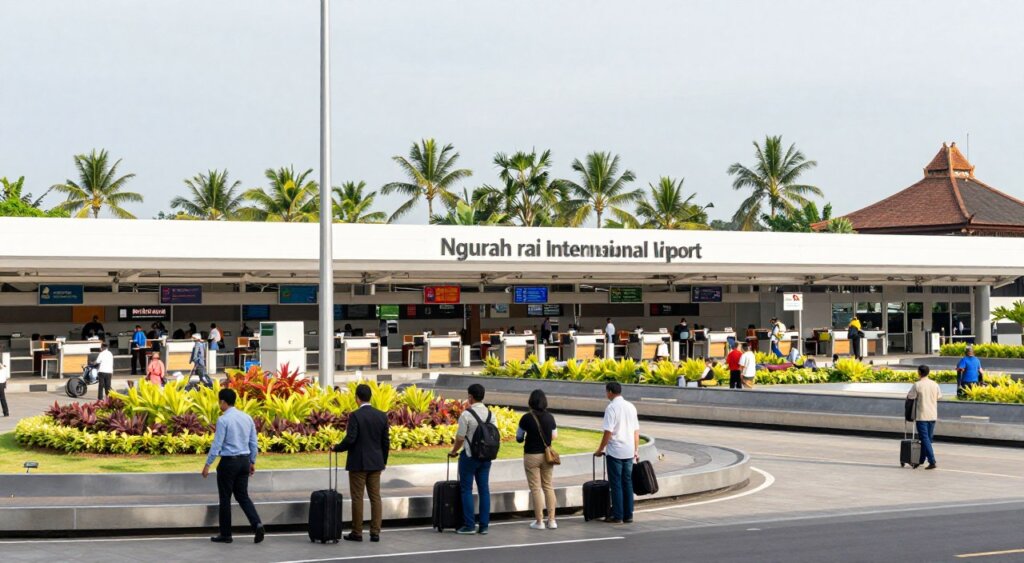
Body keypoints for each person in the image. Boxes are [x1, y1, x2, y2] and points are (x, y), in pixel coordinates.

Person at [202, 388, 264, 544]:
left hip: (229, 463)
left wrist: (208, 464)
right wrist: (252, 461)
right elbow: (253, 442)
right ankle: (257, 524)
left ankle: (226, 534)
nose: (219, 404)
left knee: (225, 498)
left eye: (219, 401)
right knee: (243, 496)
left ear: (223, 401)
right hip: (244, 462)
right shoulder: (246, 417)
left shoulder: (223, 420)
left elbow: (217, 444)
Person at [332, 383, 390, 543]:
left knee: (357, 497)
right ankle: (375, 532)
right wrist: (382, 461)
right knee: (375, 497)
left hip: (358, 464)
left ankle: (357, 532)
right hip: (376, 463)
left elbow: (351, 439)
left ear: (357, 398)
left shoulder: (355, 416)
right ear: (370, 397)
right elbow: (386, 442)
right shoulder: (381, 416)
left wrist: (337, 448)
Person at [448, 383, 492, 535]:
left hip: (470, 456)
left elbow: (460, 438)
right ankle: (484, 525)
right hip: (486, 457)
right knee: (484, 490)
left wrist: (454, 451)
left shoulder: (466, 415)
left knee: (466, 489)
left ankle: (469, 525)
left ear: (470, 397)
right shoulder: (490, 414)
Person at [595, 382, 639, 524]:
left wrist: (601, 448)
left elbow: (608, 431)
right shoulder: (631, 407)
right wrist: (636, 449)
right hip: (629, 450)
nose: (606, 394)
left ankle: (618, 515)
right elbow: (636, 431)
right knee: (627, 482)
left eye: (606, 391)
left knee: (616, 484)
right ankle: (629, 514)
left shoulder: (611, 408)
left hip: (615, 451)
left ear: (610, 392)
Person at [517, 389, 558, 531]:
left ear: (531, 402)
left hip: (531, 456)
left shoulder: (526, 418)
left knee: (536, 488)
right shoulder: (550, 417)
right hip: (547, 456)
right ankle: (552, 520)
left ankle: (539, 521)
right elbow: (554, 436)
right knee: (548, 486)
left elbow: (518, 437)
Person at [907, 365, 941, 469]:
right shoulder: (934, 384)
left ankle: (932, 461)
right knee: (927, 439)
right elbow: (939, 396)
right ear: (928, 372)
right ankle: (920, 460)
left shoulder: (917, 385)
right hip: (932, 415)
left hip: (922, 415)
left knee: (925, 439)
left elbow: (910, 396)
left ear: (919, 373)